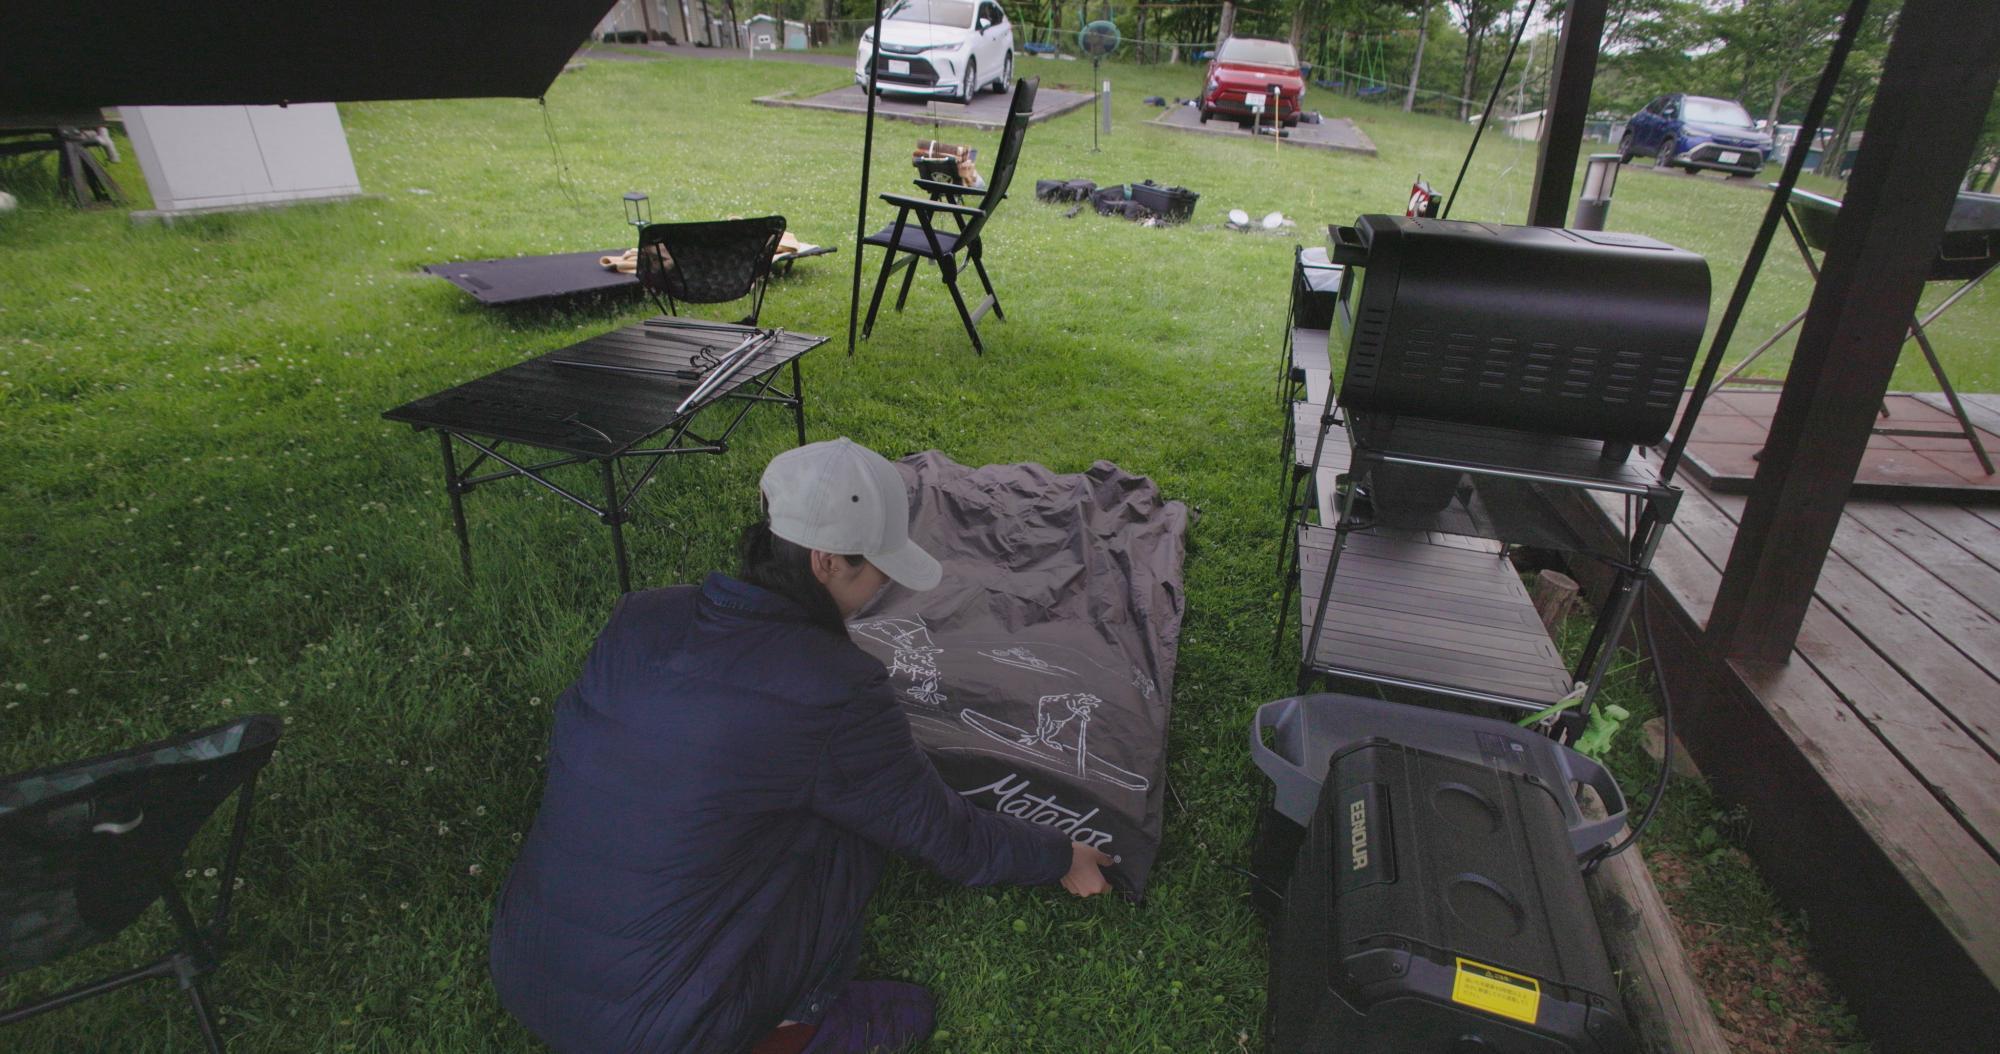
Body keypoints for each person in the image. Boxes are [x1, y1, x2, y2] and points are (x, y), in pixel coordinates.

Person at [489, 437, 1114, 1054]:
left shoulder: (641, 616)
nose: (879, 589)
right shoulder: (835, 688)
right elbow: (942, 834)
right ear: (825, 561)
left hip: (527, 971)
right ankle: (799, 1025)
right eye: (874, 568)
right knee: (859, 821)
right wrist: (1061, 856)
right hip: (667, 1030)